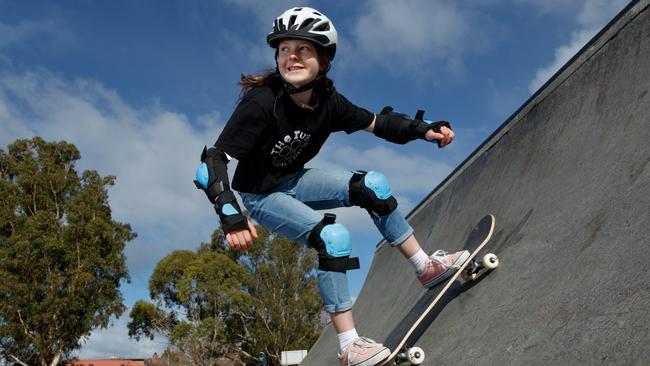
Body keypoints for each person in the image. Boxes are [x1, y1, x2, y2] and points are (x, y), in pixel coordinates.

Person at [194, 7, 469, 366]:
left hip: (294, 180)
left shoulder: (329, 102)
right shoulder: (261, 103)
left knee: (372, 185)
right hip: (261, 195)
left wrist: (423, 130)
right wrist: (230, 214)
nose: (290, 57)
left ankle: (425, 267)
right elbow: (212, 162)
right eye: (283, 49)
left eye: (302, 50)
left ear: (323, 60)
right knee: (333, 238)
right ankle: (349, 346)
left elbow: (378, 122)